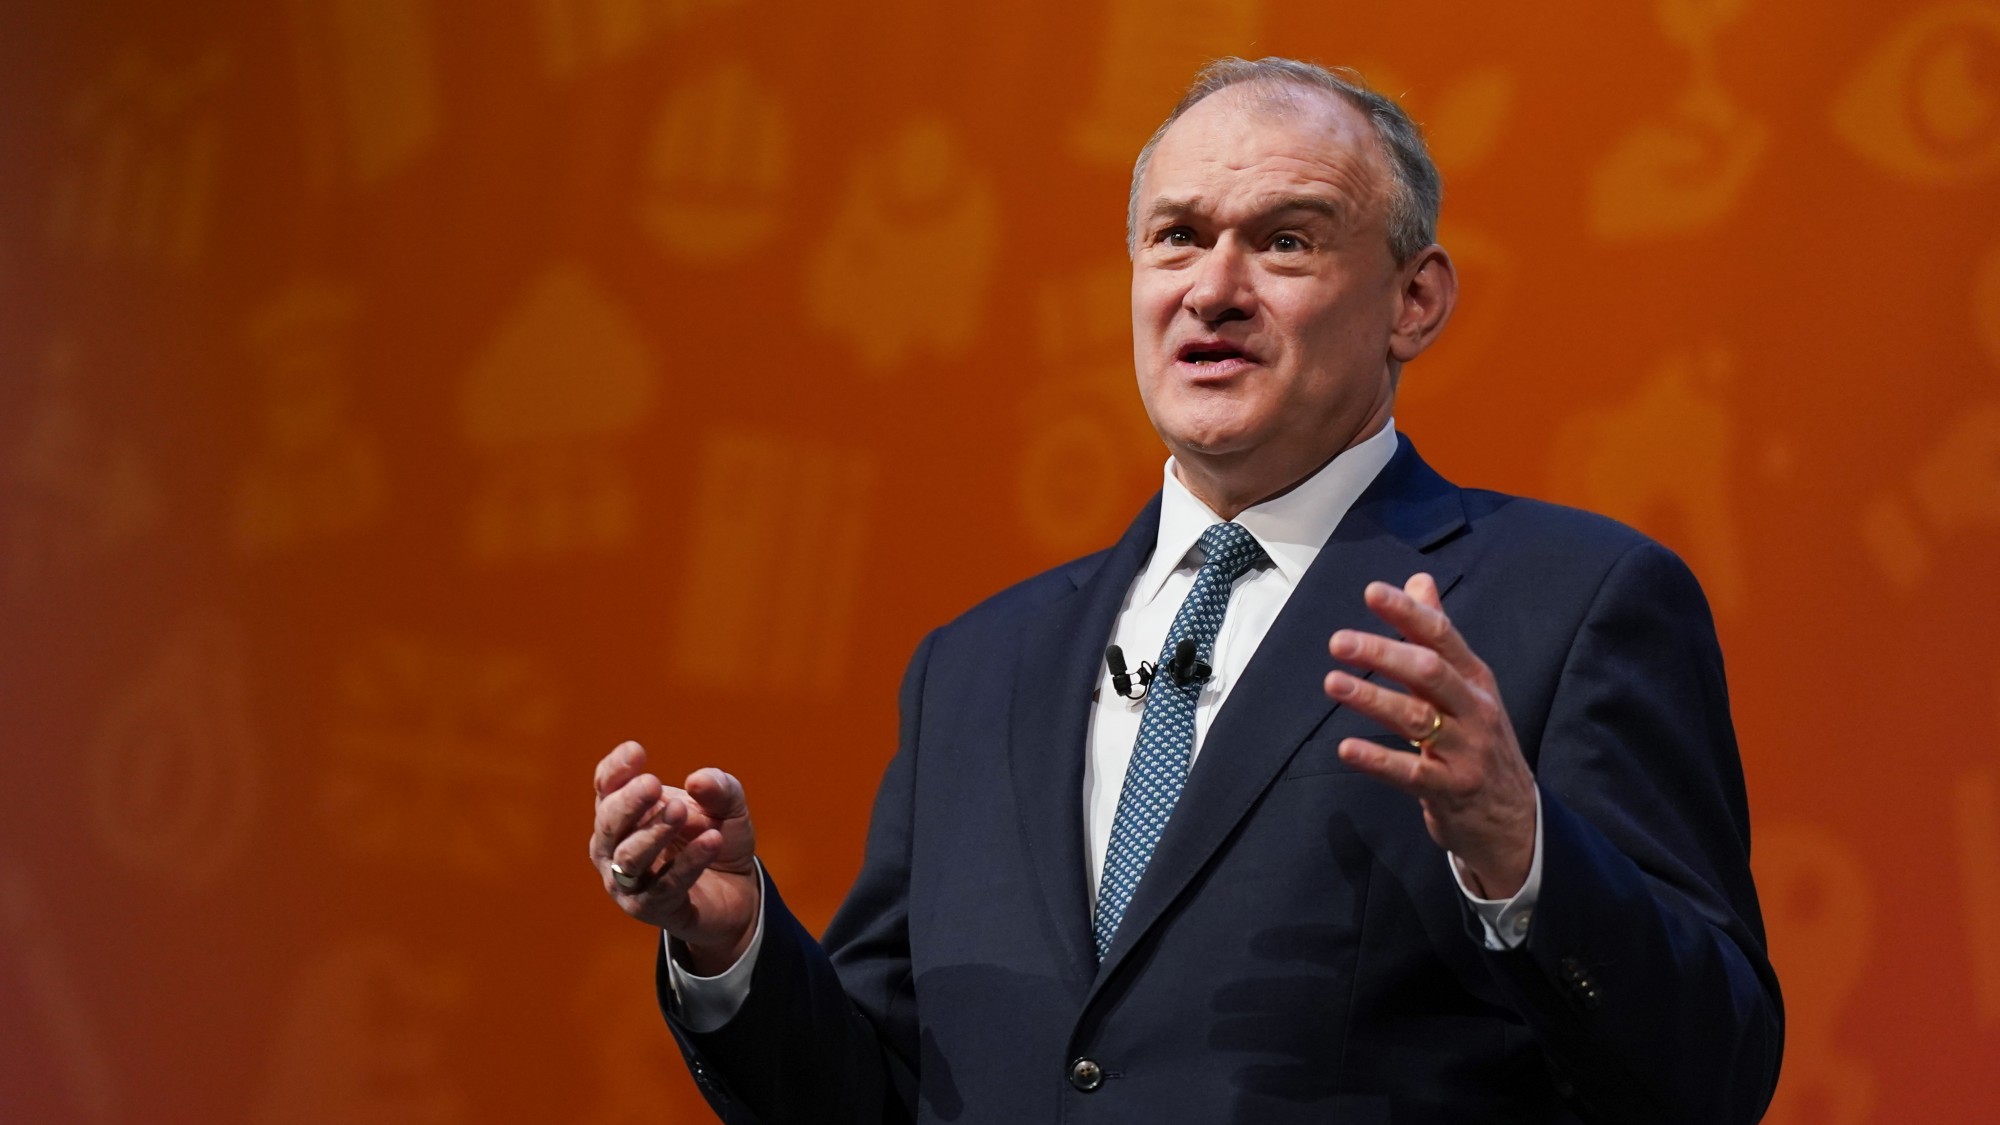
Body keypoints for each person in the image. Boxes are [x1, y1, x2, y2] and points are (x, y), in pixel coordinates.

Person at [588, 57, 1783, 1124]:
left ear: (1411, 303)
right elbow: (884, 1090)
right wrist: (734, 944)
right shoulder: (977, 666)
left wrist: (1525, 857)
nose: (1212, 288)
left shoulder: (1567, 607)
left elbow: (1712, 1071)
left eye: (1286, 239)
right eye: (1174, 237)